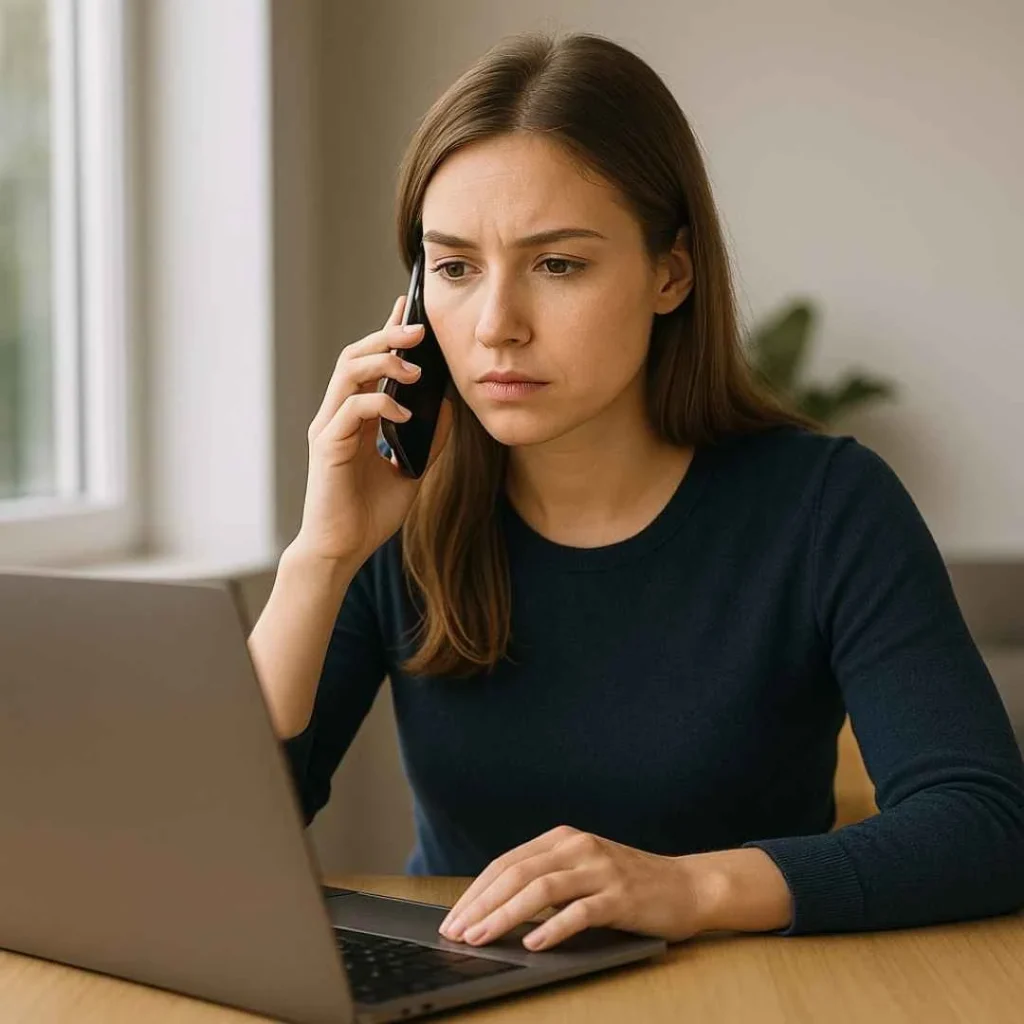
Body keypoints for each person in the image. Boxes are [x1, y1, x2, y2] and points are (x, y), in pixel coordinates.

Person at [246, 30, 1024, 954]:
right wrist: (320, 558)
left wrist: (689, 886)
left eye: (558, 264)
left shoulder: (826, 505)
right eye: (455, 268)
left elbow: (983, 825)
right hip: (465, 992)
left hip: (745, 994)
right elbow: (200, 840)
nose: (497, 326)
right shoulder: (401, 512)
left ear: (671, 272)